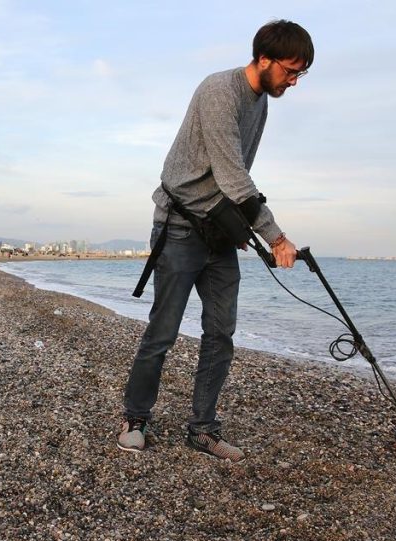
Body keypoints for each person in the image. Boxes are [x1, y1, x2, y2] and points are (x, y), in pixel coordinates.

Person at [117, 20, 312, 462]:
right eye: (291, 70)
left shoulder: (262, 102)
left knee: (221, 333)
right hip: (181, 227)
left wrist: (236, 227)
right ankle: (135, 416)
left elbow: (234, 180)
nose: (295, 81)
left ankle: (202, 428)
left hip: (218, 232)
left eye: (301, 73)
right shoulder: (219, 91)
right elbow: (234, 177)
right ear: (264, 59)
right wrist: (276, 238)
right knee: (162, 331)